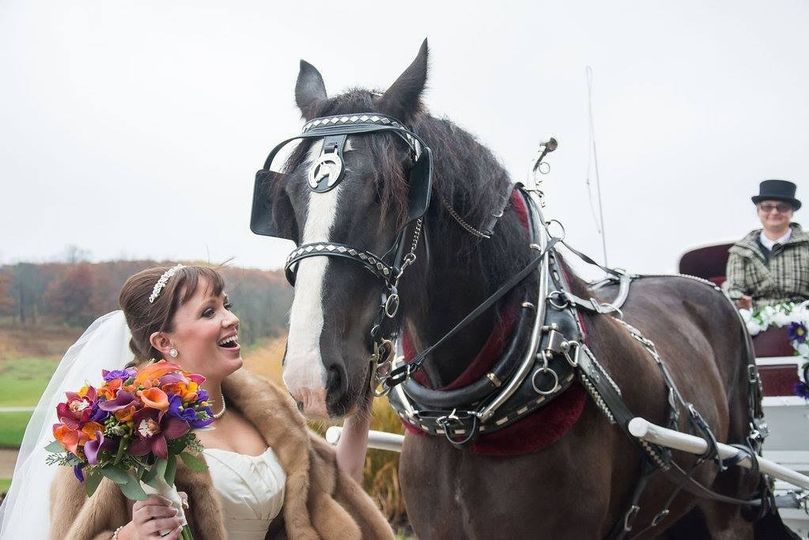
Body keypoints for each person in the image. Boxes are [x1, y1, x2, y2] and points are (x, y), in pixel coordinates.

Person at [0, 264, 393, 540]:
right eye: (209, 312)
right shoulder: (116, 426)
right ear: (164, 343)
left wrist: (363, 395)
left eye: (227, 305)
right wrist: (128, 536)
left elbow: (339, 485)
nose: (230, 319)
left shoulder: (269, 409)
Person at [726, 180, 809, 309]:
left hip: (804, 316)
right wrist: (740, 300)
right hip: (757, 320)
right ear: (758, 211)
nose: (774, 212)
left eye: (782, 207)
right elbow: (734, 290)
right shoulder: (741, 251)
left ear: (792, 212)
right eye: (767, 207)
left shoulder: (806, 245)